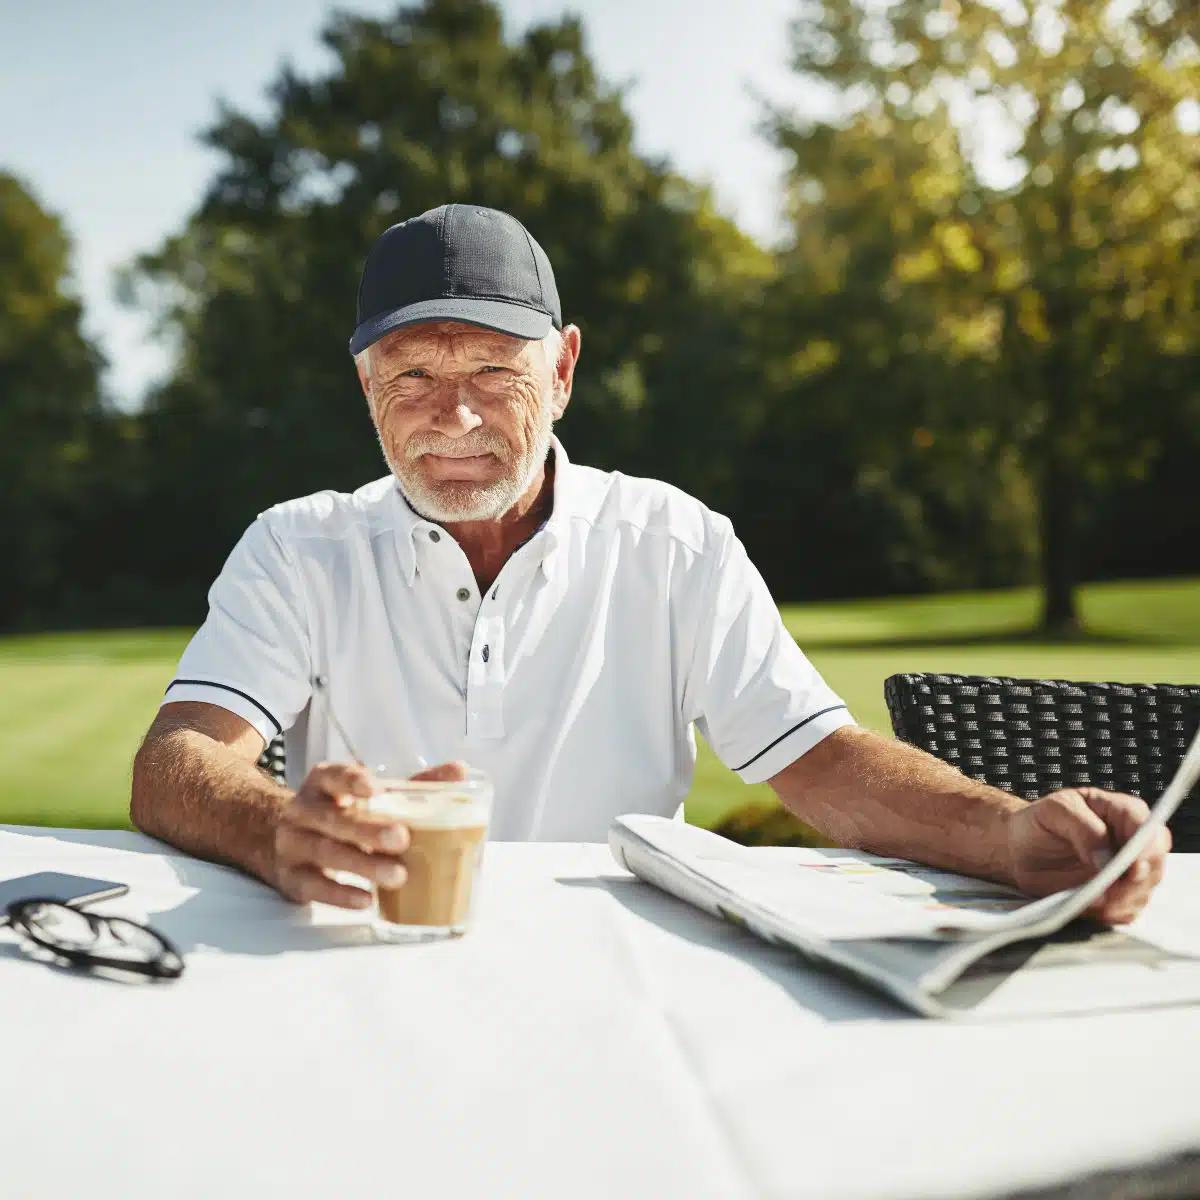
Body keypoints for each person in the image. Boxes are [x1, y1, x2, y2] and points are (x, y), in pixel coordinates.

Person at [131, 203, 1170, 921]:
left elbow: (822, 763)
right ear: (365, 383)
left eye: (495, 368)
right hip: (371, 956)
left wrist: (1007, 833)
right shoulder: (296, 544)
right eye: (411, 374)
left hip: (619, 983)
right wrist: (278, 831)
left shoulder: (675, 542)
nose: (452, 413)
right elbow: (178, 763)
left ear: (565, 368)